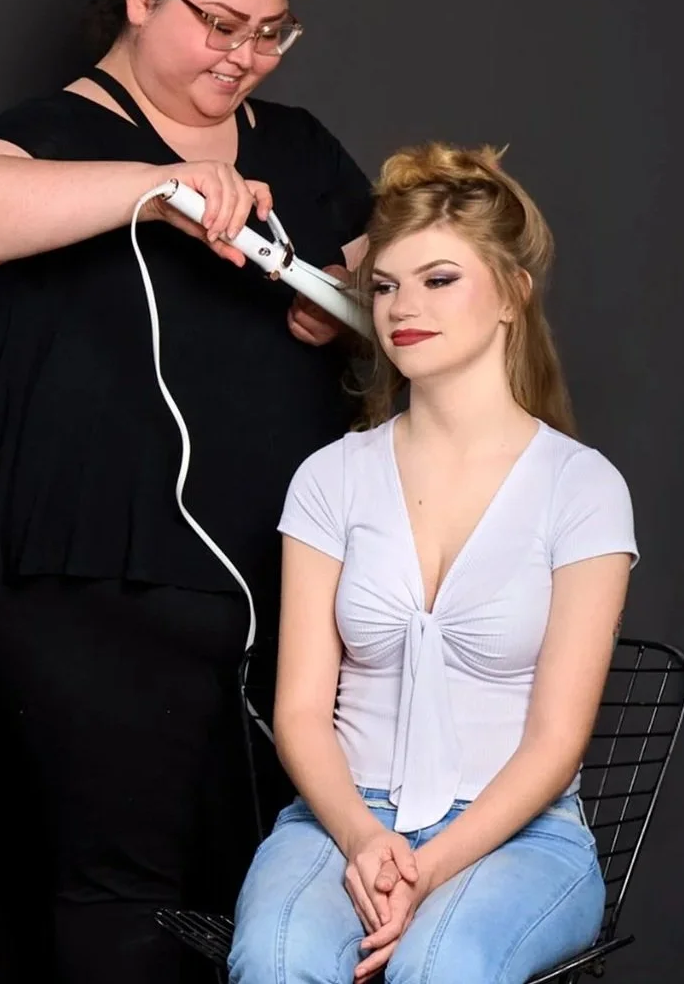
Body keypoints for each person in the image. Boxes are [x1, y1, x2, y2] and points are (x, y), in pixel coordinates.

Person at [0, 0, 376, 980]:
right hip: (94, 591)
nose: (244, 58)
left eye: (269, 33)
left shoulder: (304, 150)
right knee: (125, 901)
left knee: (280, 892)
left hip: (286, 592)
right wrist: (158, 193)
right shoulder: (59, 131)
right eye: (220, 26)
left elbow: (413, 276)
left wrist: (358, 297)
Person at [228, 144, 632, 984]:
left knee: (441, 965)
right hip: (343, 816)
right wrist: (366, 837)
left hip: (519, 833)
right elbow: (300, 709)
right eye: (385, 285)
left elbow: (557, 741)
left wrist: (433, 863)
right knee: (276, 956)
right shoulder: (330, 477)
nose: (402, 307)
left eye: (438, 279)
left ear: (512, 294)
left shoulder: (582, 487)